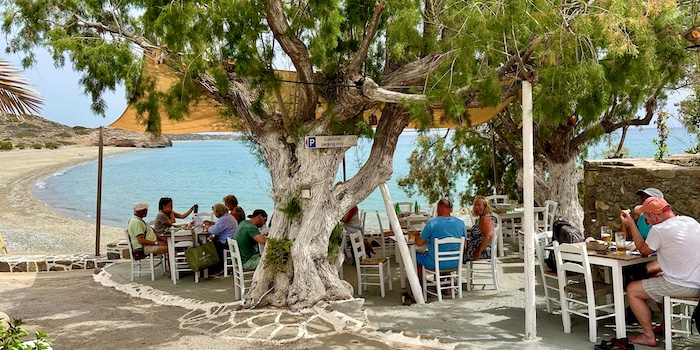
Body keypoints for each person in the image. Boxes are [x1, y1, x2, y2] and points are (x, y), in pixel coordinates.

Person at [620, 197, 700, 347]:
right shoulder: (690, 221)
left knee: (632, 289)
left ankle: (648, 336)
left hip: (684, 285)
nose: (646, 221)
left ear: (655, 216)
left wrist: (631, 224)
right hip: (697, 282)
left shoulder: (659, 230)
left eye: (646, 217)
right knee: (654, 275)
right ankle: (666, 325)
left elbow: (643, 251)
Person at [415, 199, 467, 282]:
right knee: (447, 253)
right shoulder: (461, 223)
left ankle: (420, 285)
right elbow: (464, 246)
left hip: (436, 263)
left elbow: (419, 243)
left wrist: (416, 235)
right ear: (450, 209)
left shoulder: (432, 223)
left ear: (439, 208)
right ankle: (448, 286)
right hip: (456, 262)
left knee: (416, 256)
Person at [203, 203, 238, 276]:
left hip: (226, 242)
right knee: (213, 242)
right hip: (231, 239)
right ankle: (213, 267)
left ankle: (217, 268)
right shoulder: (228, 217)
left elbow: (215, 230)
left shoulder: (224, 219)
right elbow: (219, 227)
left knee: (211, 247)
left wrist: (207, 228)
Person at [464, 196, 495, 261]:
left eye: (479, 205)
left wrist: (479, 250)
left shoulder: (485, 219)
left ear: (485, 207)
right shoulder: (481, 218)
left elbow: (489, 236)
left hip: (482, 251)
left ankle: (446, 268)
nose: (476, 207)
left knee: (457, 253)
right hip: (478, 248)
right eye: (475, 205)